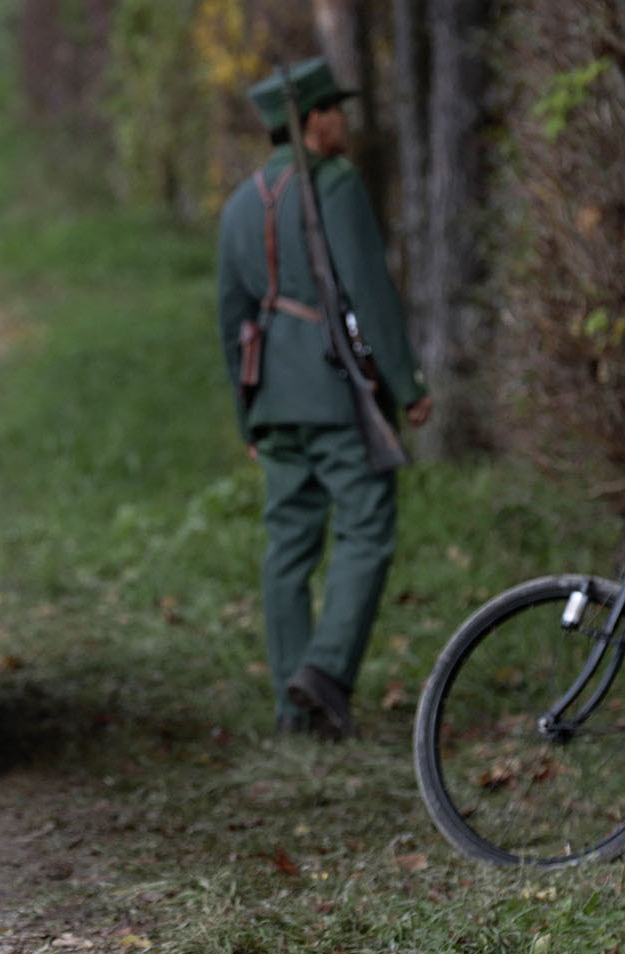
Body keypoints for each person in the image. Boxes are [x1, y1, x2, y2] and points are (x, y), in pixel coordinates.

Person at [217, 57, 431, 739]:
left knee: (288, 543)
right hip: (333, 390)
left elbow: (233, 319)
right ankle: (326, 671)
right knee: (368, 522)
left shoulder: (241, 202)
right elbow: (370, 287)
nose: (343, 121)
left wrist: (246, 408)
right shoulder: (334, 183)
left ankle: (291, 710)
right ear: (310, 122)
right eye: (333, 110)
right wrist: (406, 384)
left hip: (272, 398)